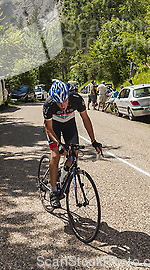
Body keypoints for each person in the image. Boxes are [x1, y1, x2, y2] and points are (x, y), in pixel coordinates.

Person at [43, 80, 102, 209]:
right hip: (54, 128)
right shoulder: (49, 104)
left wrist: (93, 140)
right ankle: (53, 192)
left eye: (64, 101)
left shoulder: (76, 99)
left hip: (69, 124)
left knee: (74, 154)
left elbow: (85, 119)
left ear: (68, 96)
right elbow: (48, 128)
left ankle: (63, 176)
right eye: (58, 102)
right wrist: (58, 145)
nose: (62, 105)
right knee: (55, 155)